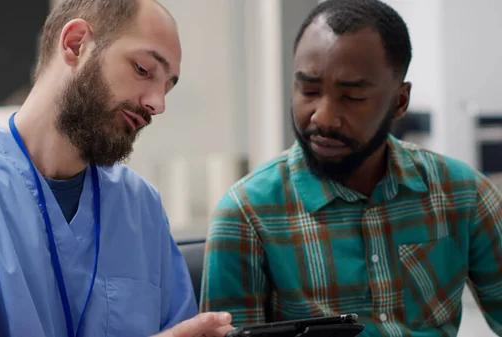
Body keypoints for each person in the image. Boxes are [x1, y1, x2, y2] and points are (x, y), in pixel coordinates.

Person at [0, 0, 234, 336]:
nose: (157, 104)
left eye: (167, 87)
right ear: (76, 44)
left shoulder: (141, 207)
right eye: (143, 70)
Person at [199, 0, 502, 336]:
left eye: (353, 97)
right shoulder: (246, 213)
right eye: (308, 90)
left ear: (399, 101)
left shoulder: (464, 194)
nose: (323, 117)